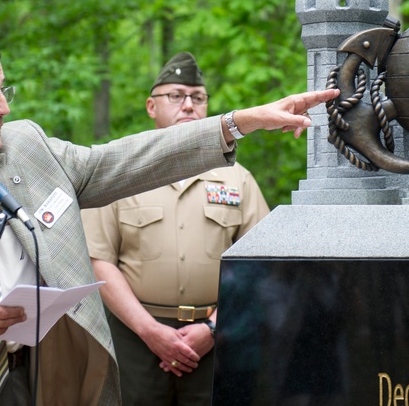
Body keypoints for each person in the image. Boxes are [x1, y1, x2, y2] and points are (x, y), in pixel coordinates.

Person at [0, 35, 336, 406]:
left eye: (2, 91)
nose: (1, 107)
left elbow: (127, 160)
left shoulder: (29, 149)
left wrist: (238, 122)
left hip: (35, 382)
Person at [82, 52, 269, 406]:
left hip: (216, 338)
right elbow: (99, 260)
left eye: (198, 98)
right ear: (151, 107)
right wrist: (149, 330)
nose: (188, 106)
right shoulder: (119, 175)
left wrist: (213, 328)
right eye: (176, 96)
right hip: (136, 338)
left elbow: (257, 262)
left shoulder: (237, 179)